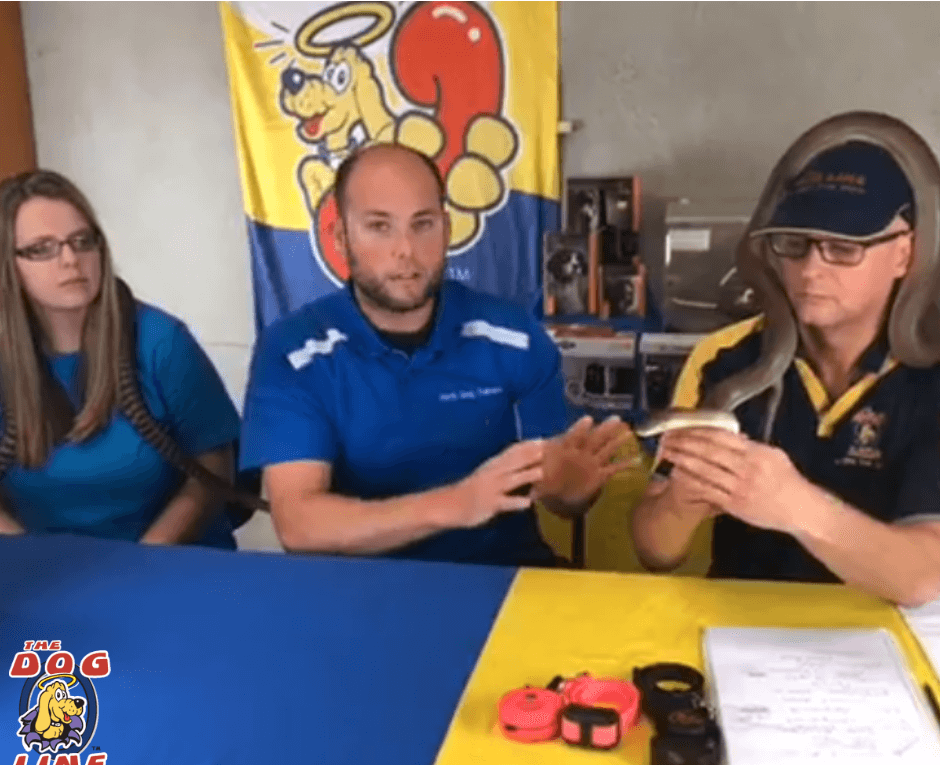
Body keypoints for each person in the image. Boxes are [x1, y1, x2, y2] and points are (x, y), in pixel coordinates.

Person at [239, 142, 631, 566]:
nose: (405, 249)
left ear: (446, 229)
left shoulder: (514, 336)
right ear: (340, 237)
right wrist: (457, 504)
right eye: (379, 226)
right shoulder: (294, 352)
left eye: (422, 224)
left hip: (504, 575)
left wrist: (571, 488)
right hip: (359, 590)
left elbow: (564, 499)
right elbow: (301, 525)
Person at [631, 140, 940, 606]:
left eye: (842, 248)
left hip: (883, 641)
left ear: (904, 254)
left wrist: (796, 507)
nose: (810, 269)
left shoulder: (929, 372)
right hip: (740, 636)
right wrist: (681, 501)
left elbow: (926, 577)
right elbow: (656, 551)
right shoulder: (726, 358)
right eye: (793, 244)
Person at [0, 170, 242, 547]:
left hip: (166, 560)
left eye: (82, 241)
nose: (70, 260)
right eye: (42, 248)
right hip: (44, 574)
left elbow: (214, 467)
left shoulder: (160, 341)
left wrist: (146, 558)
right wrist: (31, 558)